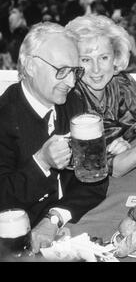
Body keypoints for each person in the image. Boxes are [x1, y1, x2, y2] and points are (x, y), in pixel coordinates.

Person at [0, 22, 109, 253]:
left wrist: (54, 218)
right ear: (30, 66)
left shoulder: (73, 102)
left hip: (68, 223)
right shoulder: (4, 117)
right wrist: (41, 163)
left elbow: (95, 181)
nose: (71, 82)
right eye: (61, 71)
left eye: (74, 71)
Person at [65, 15, 136, 178]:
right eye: (86, 60)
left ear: (116, 56)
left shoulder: (123, 84)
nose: (96, 69)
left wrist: (129, 146)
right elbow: (110, 168)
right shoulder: (69, 96)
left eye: (104, 57)